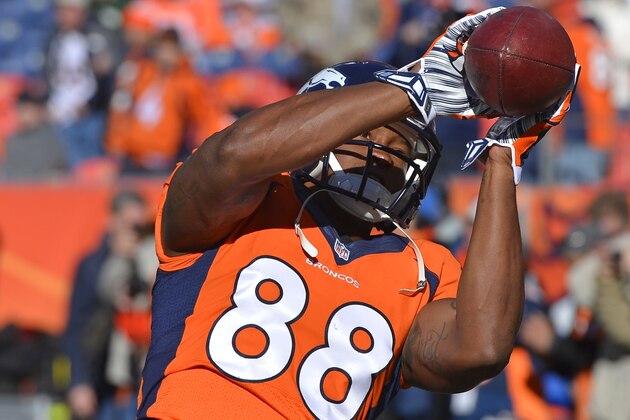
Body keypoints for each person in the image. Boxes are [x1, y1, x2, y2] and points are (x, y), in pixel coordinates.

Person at [138, 8, 580, 419]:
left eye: (401, 146)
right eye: (371, 133)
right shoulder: (246, 205)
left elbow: (481, 348)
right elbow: (233, 155)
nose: (385, 155)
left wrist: (504, 158)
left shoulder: (424, 269)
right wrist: (414, 90)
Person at [64, 190, 155, 420]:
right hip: (104, 380)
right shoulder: (93, 265)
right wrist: (79, 381)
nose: (135, 232)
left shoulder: (152, 260)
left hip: (145, 376)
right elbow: (77, 327)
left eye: (140, 226)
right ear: (112, 222)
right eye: (129, 224)